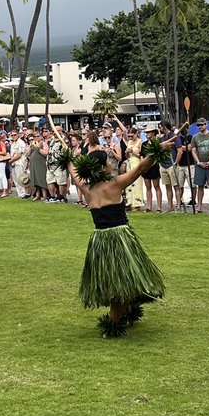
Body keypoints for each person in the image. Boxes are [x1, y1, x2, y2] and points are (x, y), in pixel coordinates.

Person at [66, 138, 165, 337]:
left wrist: (68, 159)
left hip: (99, 240)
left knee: (123, 278)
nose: (111, 164)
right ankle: (113, 324)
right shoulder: (115, 183)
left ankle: (129, 311)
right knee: (121, 281)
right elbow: (140, 168)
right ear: (103, 168)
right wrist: (157, 150)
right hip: (119, 239)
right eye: (108, 162)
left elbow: (73, 171)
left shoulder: (85, 187)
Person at [190, 119, 209, 213]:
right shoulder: (195, 137)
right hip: (199, 165)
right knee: (200, 186)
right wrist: (198, 162)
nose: (200, 126)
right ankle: (199, 206)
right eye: (198, 125)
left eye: (201, 125)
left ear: (206, 125)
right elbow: (193, 151)